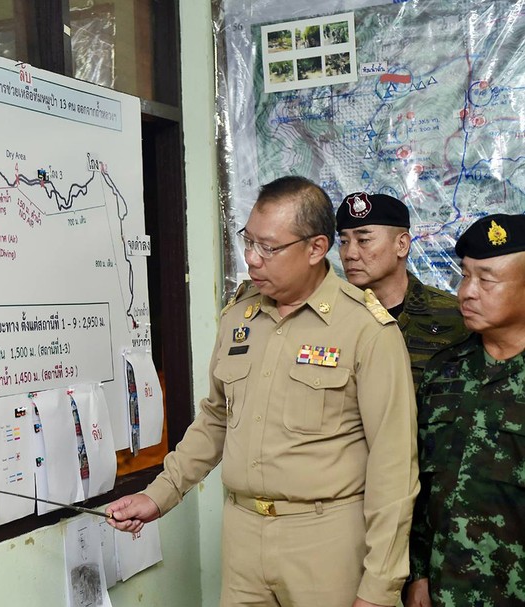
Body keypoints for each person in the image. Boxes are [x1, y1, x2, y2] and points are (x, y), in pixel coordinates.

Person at [107, 176, 419, 607]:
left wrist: (380, 587)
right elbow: (216, 419)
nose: (252, 259)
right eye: (248, 241)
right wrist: (159, 494)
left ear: (315, 248)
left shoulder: (366, 330)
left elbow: (394, 466)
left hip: (325, 541)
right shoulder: (240, 316)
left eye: (269, 248)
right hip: (243, 541)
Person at [406, 213, 525, 607]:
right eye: (464, 275)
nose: (466, 292)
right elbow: (421, 486)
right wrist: (420, 574)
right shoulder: (444, 371)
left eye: (486, 280)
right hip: (443, 589)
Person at [336, 192, 467, 387]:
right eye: (344, 242)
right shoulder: (332, 316)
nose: (350, 254)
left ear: (402, 244)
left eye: (363, 240)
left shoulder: (454, 316)